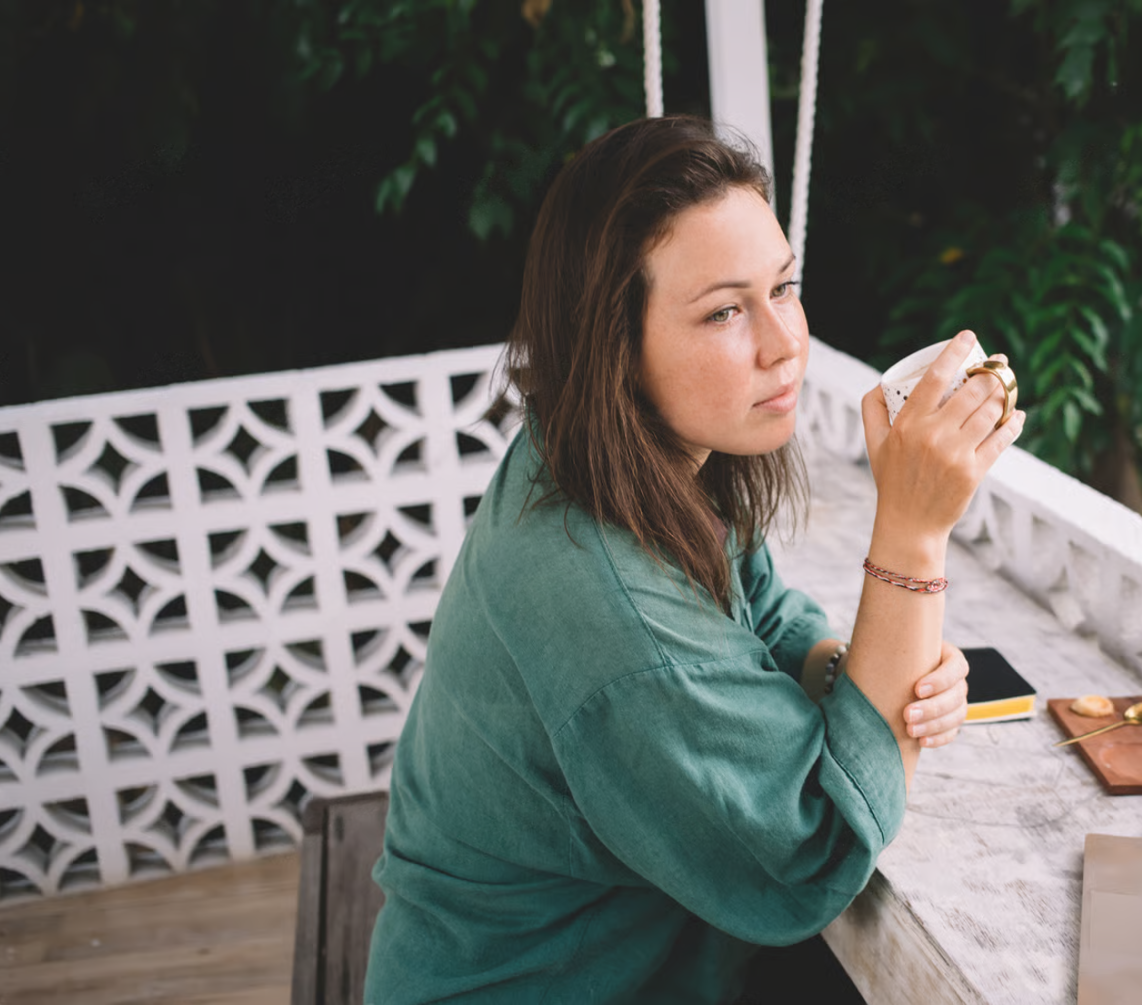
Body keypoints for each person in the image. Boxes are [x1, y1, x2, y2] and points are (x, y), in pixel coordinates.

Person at [364, 114, 1025, 1004]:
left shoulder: (615, 455)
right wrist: (912, 535)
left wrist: (851, 673)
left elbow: (766, 609)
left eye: (783, 287)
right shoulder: (601, 592)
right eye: (722, 310)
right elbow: (810, 853)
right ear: (615, 345)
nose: (783, 340)